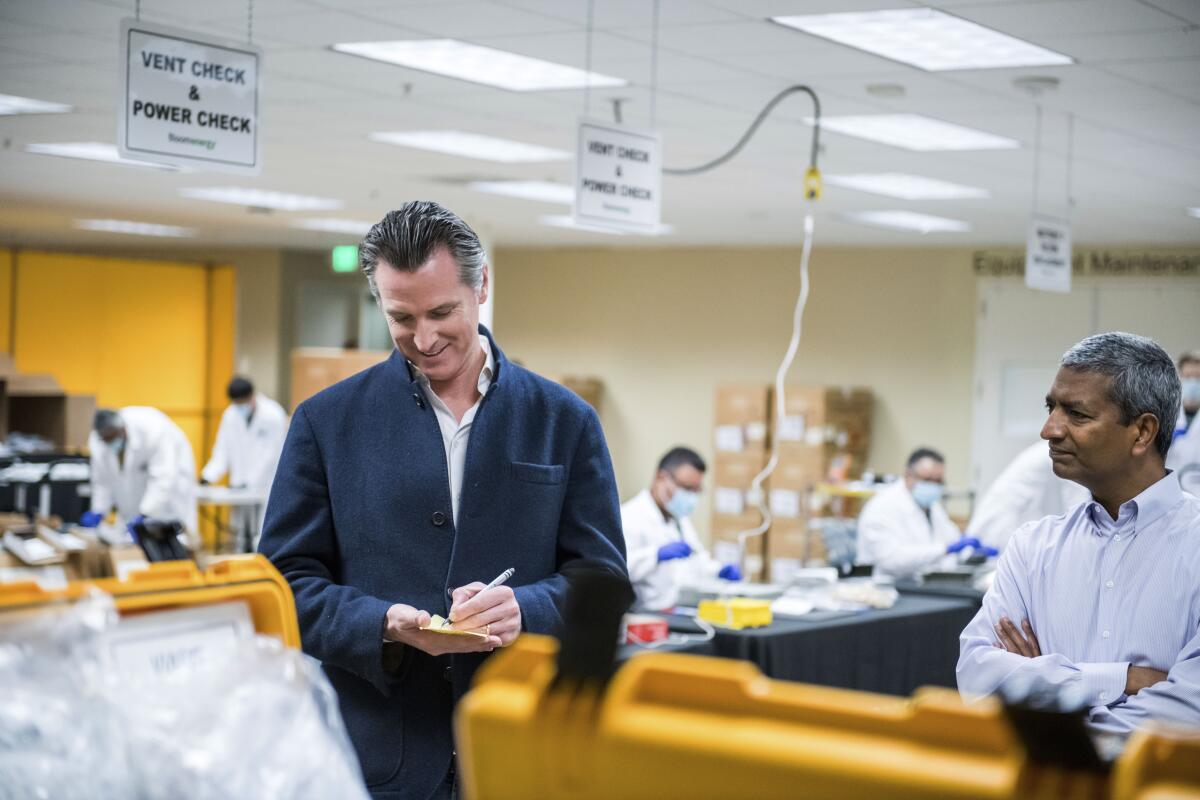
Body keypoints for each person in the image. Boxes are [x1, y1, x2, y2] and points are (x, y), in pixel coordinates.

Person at [258, 201, 627, 800]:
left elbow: (602, 581)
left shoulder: (565, 421)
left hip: (526, 753)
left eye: (441, 312)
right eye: (401, 317)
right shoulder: (326, 422)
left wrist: (525, 611)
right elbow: (283, 583)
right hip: (378, 763)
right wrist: (380, 625)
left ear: (482, 286)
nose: (424, 339)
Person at [957, 332, 1200, 737]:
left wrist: (1047, 696)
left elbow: (1188, 712)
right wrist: (1121, 680)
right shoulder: (1033, 547)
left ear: (1142, 432)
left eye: (1077, 414)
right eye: (1051, 407)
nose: (1049, 430)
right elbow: (979, 677)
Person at [622, 447, 741, 611]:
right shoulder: (629, 516)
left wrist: (719, 570)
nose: (691, 496)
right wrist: (655, 555)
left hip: (678, 609)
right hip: (644, 613)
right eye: (686, 488)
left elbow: (696, 559)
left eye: (696, 490)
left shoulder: (679, 520)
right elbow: (617, 569)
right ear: (661, 477)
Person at [855, 448, 985, 580]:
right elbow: (891, 560)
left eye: (938, 481)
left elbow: (952, 538)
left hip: (921, 584)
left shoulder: (932, 507)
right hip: (885, 587)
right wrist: (944, 549)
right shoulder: (881, 507)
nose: (933, 486)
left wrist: (972, 553)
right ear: (908, 475)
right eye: (927, 480)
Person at [199, 376, 288, 552]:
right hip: (239, 487)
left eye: (242, 402)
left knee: (262, 535)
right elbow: (222, 450)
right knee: (238, 537)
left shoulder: (273, 415)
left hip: (266, 485)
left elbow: (271, 454)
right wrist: (208, 476)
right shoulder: (231, 415)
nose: (239, 407)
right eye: (235, 403)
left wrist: (252, 481)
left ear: (252, 396)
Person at [83, 407, 198, 541]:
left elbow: (162, 479)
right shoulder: (98, 442)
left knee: (173, 539)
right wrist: (99, 510)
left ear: (122, 429)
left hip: (173, 484)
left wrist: (145, 513)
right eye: (105, 439)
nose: (108, 442)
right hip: (137, 494)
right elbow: (102, 481)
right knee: (130, 539)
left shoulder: (152, 430)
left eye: (111, 437)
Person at [966, 441, 1089, 550]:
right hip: (1000, 527)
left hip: (1002, 517)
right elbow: (1078, 505)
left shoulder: (1045, 451)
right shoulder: (1063, 454)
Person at [1166, 350, 1200, 483]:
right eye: (1188, 377)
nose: (1193, 382)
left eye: (1197, 377)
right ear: (1179, 378)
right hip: (1170, 487)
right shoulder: (1165, 413)